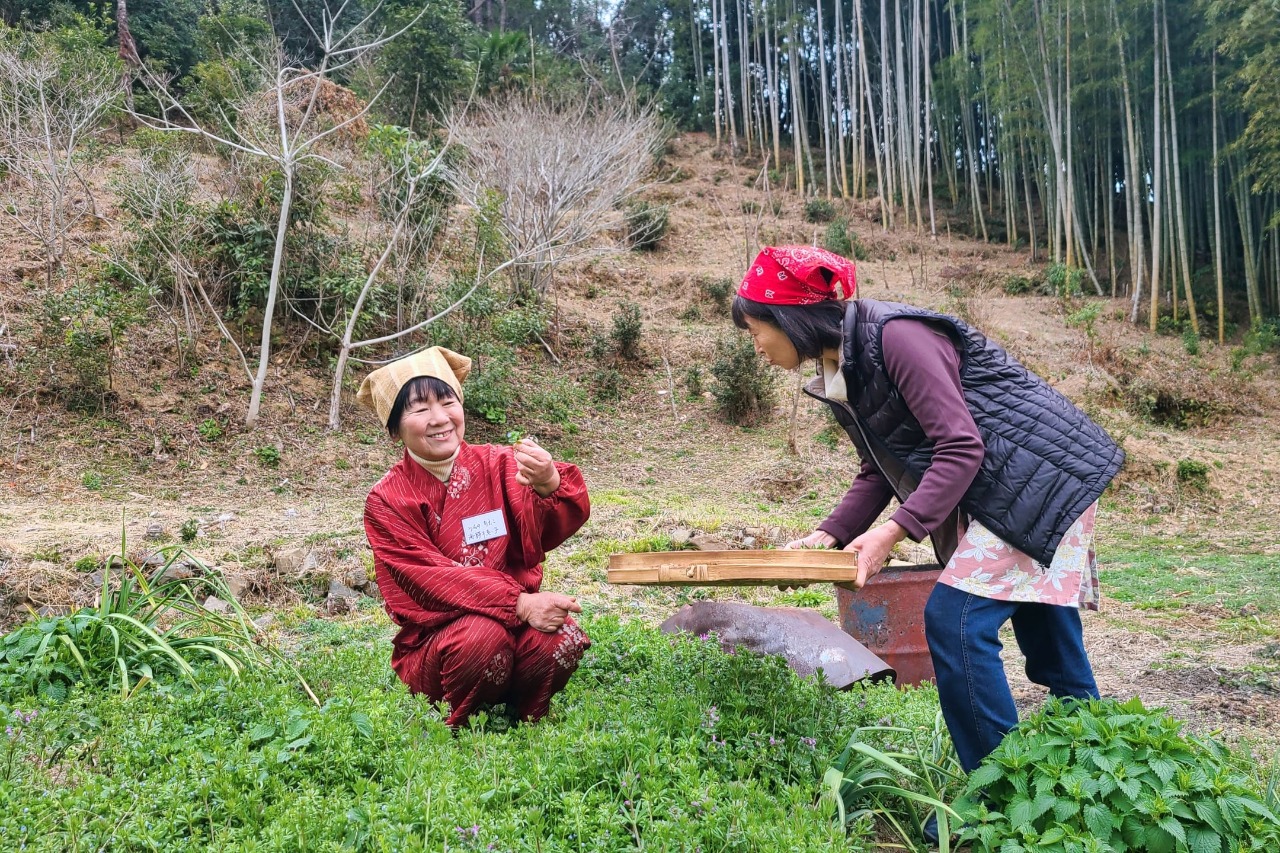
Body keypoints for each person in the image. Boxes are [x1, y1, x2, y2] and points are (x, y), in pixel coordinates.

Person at [733, 245, 1124, 842]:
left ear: (790, 317)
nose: (756, 346)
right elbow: (878, 469)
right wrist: (829, 534)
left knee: (953, 619)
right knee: (1051, 642)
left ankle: (997, 799)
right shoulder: (844, 370)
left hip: (1036, 483)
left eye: (758, 329)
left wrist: (892, 532)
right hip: (1005, 488)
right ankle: (1106, 774)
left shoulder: (897, 340)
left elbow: (961, 447)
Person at [358, 346, 591, 728]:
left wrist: (549, 483)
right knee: (481, 638)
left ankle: (523, 711)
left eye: (448, 401)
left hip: (515, 625)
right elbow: (431, 580)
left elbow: (555, 524)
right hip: (443, 642)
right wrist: (519, 603)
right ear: (395, 428)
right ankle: (464, 720)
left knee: (559, 636)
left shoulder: (501, 464)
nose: (440, 419)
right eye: (420, 409)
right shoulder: (387, 500)